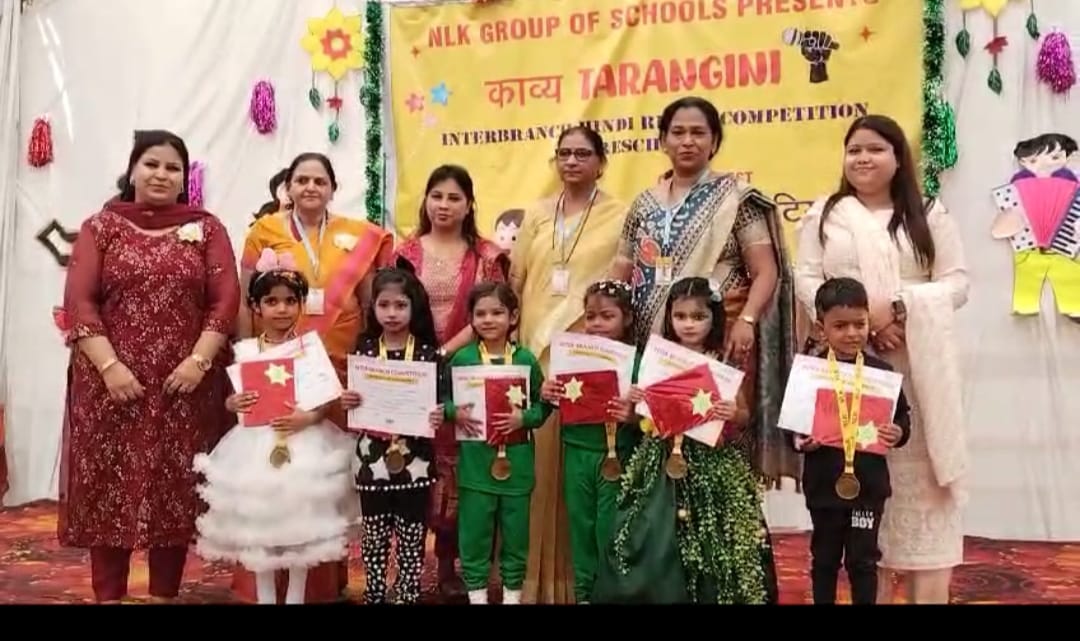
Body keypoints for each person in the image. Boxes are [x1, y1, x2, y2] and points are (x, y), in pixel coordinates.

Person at [57, 129, 240, 603]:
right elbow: (80, 302)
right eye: (152, 164)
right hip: (110, 384)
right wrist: (110, 368)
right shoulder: (102, 227)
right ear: (133, 170)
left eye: (173, 167)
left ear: (184, 178)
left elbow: (224, 302)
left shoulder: (207, 229)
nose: (161, 174)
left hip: (184, 384)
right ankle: (109, 595)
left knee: (171, 488)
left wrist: (199, 362)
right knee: (107, 485)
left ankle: (163, 595)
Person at [794, 114, 969, 604]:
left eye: (875, 149)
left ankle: (924, 591)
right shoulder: (825, 214)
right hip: (848, 361)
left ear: (898, 157)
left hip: (915, 362)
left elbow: (957, 282)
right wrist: (867, 324)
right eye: (854, 150)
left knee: (918, 476)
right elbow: (806, 277)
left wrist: (901, 308)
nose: (863, 158)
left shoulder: (928, 213)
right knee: (851, 471)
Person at [609, 96, 799, 489]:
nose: (687, 141)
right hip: (653, 343)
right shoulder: (643, 204)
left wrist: (747, 319)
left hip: (717, 342)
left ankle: (725, 522)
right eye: (677, 132)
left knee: (716, 436)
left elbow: (766, 271)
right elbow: (621, 271)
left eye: (698, 133)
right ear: (662, 140)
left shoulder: (736, 199)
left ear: (714, 142)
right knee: (656, 440)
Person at [236, 152, 392, 602]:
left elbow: (371, 303)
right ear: (287, 187)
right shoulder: (264, 231)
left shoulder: (358, 235)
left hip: (336, 372)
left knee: (324, 482)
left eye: (319, 180)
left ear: (332, 188)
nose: (310, 187)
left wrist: (370, 364)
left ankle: (323, 584)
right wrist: (246, 361)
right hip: (276, 368)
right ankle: (265, 586)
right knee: (273, 480)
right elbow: (246, 300)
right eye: (301, 179)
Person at [593, 277, 779, 604]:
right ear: (670, 318)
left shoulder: (721, 360)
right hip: (661, 456)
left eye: (698, 317)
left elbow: (743, 415)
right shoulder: (658, 358)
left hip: (709, 459)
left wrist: (732, 412)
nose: (689, 324)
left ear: (714, 318)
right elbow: (641, 419)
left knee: (716, 536)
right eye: (680, 316)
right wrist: (635, 403)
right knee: (652, 529)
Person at [193, 250, 355, 605]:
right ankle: (265, 597)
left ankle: (296, 596)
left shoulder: (309, 348)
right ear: (256, 306)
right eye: (271, 302)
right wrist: (233, 403)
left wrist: (307, 418)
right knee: (262, 524)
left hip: (305, 443)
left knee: (301, 520)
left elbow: (324, 398)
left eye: (290, 301)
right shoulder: (247, 350)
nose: (281, 309)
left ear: (300, 305)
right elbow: (236, 400)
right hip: (255, 445)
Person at [510, 126, 628, 604]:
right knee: (539, 472)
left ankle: (586, 587)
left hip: (589, 358)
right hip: (536, 354)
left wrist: (588, 337)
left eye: (582, 154)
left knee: (585, 476)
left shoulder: (620, 215)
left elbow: (623, 285)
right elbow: (517, 282)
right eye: (564, 154)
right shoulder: (537, 214)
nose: (572, 161)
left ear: (601, 161)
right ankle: (538, 584)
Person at [393, 165, 508, 597]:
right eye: (436, 196)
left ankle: (466, 562)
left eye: (454, 197)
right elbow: (391, 304)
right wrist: (421, 358)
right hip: (412, 370)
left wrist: (443, 354)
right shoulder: (405, 254)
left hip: (469, 368)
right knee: (419, 461)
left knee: (465, 463)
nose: (444, 205)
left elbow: (491, 314)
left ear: (469, 204)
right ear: (425, 201)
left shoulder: (487, 256)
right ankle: (431, 564)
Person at [793, 277, 911, 605]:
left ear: (869, 322)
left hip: (868, 488)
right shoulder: (810, 373)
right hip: (823, 486)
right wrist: (802, 441)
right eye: (840, 326)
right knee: (825, 559)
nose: (851, 333)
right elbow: (793, 427)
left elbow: (902, 417)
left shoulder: (881, 374)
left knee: (863, 561)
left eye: (859, 324)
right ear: (821, 329)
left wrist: (898, 432)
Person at [340, 264, 445, 605]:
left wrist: (440, 412)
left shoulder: (428, 355)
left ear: (415, 307)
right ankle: (374, 592)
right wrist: (348, 399)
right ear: (373, 308)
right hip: (372, 457)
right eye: (384, 305)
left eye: (400, 305)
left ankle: (407, 592)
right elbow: (355, 400)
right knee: (374, 534)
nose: (392, 313)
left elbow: (441, 401)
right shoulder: (364, 352)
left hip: (416, 456)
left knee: (412, 532)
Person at [442, 282, 552, 605]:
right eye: (480, 314)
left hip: (517, 467)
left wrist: (525, 418)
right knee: (475, 534)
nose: (488, 320)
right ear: (471, 319)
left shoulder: (525, 360)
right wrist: (453, 412)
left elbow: (544, 405)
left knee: (516, 536)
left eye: (497, 312)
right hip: (475, 466)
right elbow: (440, 401)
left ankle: (512, 596)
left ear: (513, 316)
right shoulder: (462, 360)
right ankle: (477, 595)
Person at [537, 280, 641, 604]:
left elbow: (650, 418)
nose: (597, 324)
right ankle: (584, 594)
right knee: (581, 526)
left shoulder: (636, 361)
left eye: (607, 316)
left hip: (617, 454)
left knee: (610, 528)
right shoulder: (572, 356)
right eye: (591, 316)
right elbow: (552, 405)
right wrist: (547, 393)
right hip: (577, 451)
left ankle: (611, 593)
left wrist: (634, 414)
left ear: (626, 318)